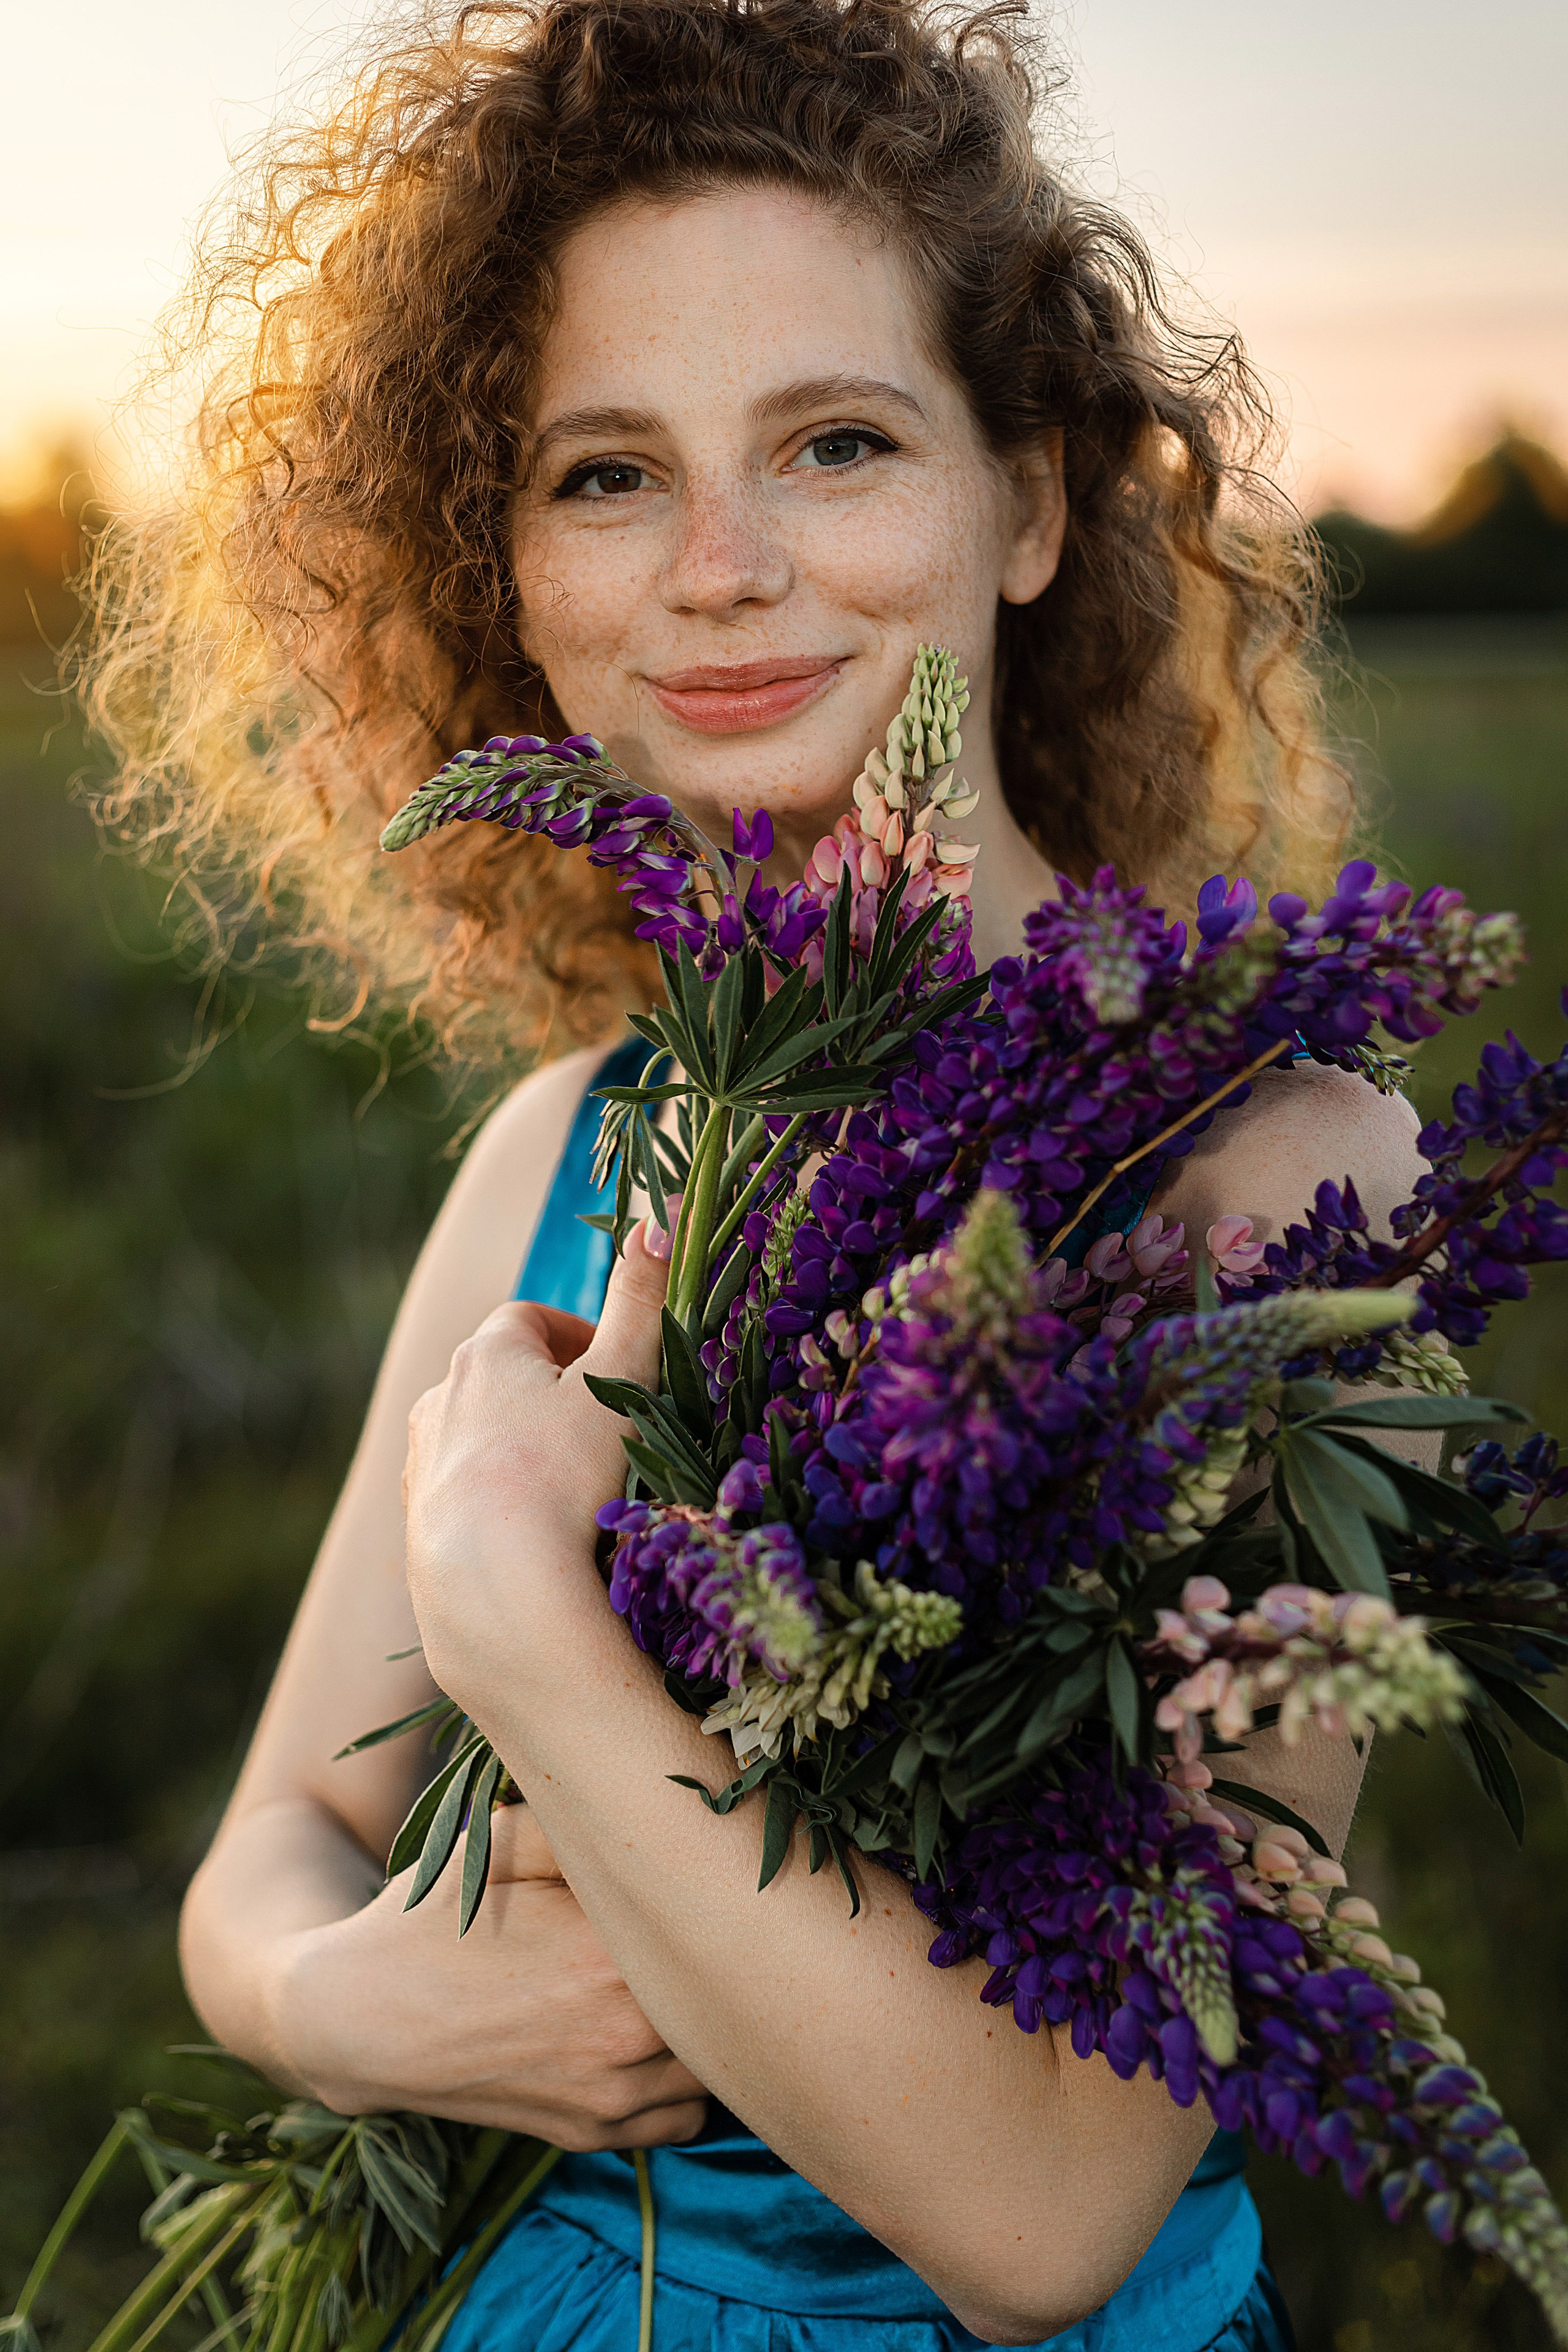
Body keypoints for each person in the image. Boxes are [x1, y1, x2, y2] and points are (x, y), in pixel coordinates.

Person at [85, 2, 1430, 2343]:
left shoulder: (1284, 1197)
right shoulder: (561, 1152)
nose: (719, 567)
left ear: (1026, 503)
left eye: (833, 442)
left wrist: (516, 1606)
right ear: (501, 564)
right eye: (606, 474)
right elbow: (265, 1865)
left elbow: (1044, 2221)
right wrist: (354, 2006)